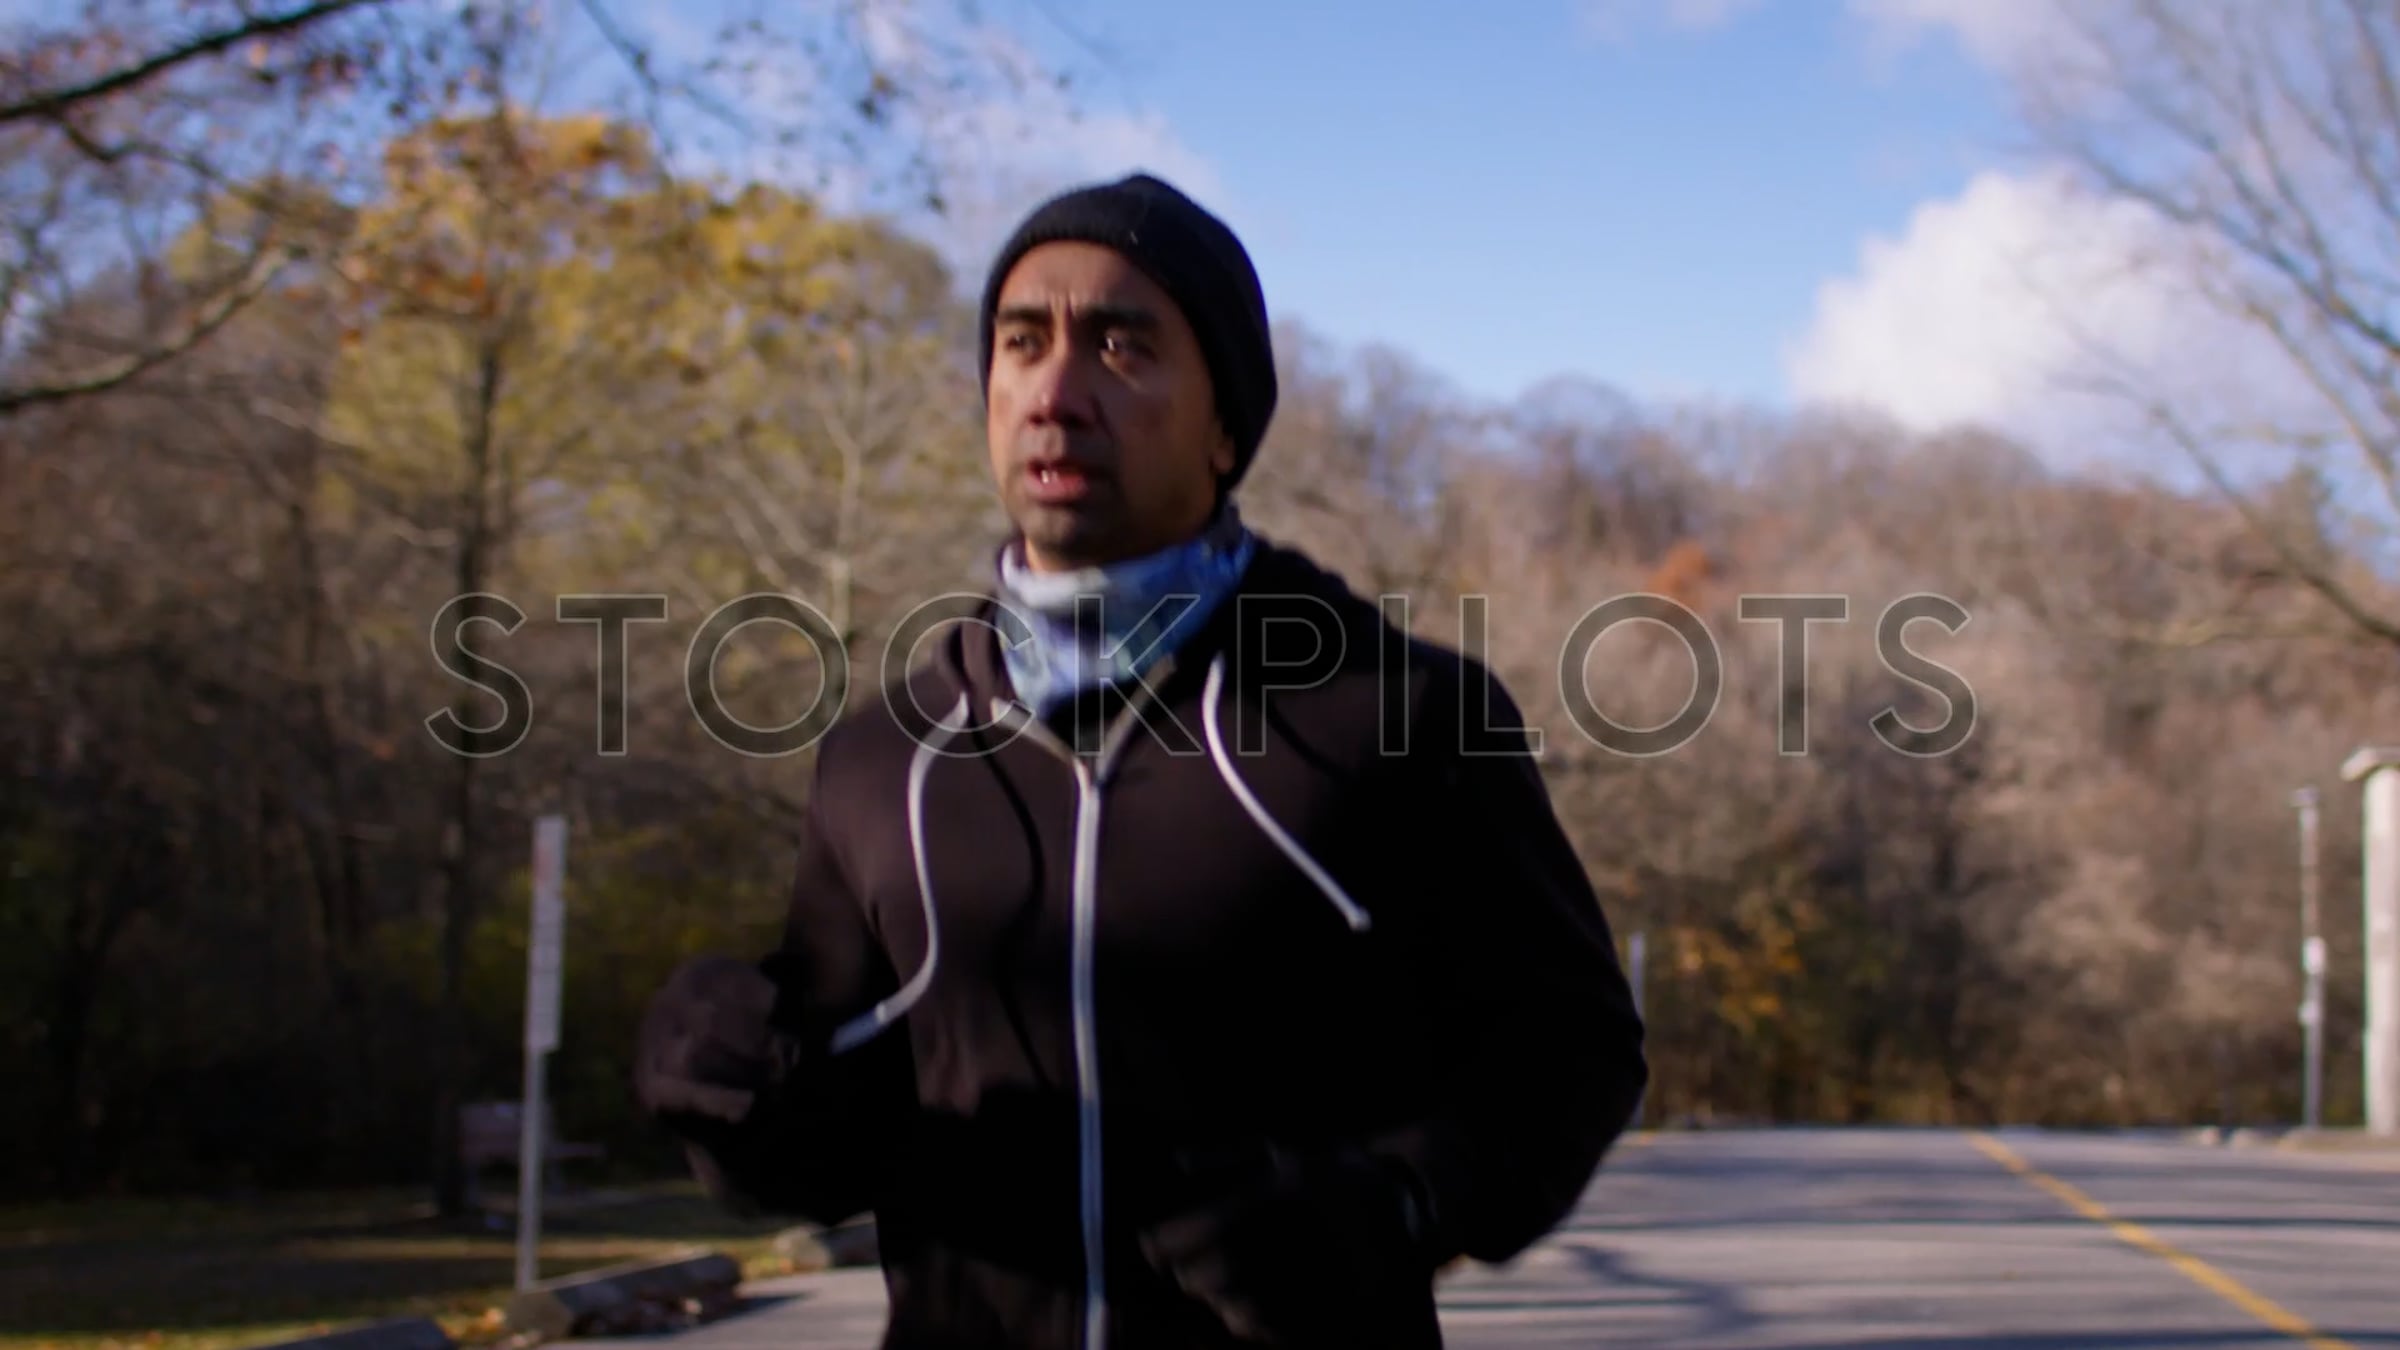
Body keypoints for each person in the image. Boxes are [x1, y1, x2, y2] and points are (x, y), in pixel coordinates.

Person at [634, 171, 1648, 1350]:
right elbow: (841, 1136)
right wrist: (724, 1099)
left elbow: (1571, 1055)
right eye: (1023, 343)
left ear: (1226, 428)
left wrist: (1397, 1206)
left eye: (1123, 347)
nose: (1056, 393)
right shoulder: (881, 758)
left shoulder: (1398, 713)